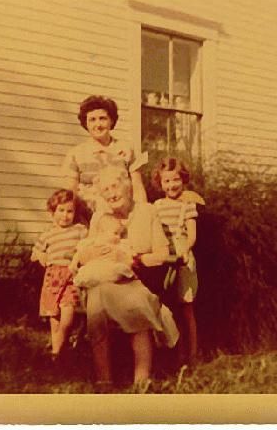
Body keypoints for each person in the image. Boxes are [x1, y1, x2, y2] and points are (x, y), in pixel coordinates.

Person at [83, 166, 179, 391]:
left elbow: (163, 254)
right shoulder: (99, 218)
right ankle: (104, 380)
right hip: (105, 280)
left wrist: (137, 259)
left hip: (138, 280)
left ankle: (141, 379)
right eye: (105, 190)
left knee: (135, 302)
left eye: (115, 186)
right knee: (96, 302)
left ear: (126, 185)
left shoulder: (147, 212)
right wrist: (102, 255)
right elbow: (86, 253)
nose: (111, 193)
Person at [151, 157, 204, 366]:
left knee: (186, 307)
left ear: (183, 180)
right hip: (163, 254)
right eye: (167, 181)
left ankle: (191, 355)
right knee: (165, 305)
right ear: (160, 183)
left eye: (175, 180)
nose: (172, 185)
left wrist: (185, 250)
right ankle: (171, 352)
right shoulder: (157, 206)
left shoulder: (187, 205)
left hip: (182, 255)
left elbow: (191, 236)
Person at [61, 95, 147, 212]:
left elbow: (137, 188)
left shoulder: (126, 149)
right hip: (89, 219)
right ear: (86, 124)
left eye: (103, 118)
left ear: (111, 121)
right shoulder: (76, 154)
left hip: (124, 218)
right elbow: (70, 193)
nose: (98, 125)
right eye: (92, 120)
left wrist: (142, 214)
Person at [31, 189, 88, 362]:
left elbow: (87, 247)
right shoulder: (48, 234)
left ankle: (60, 348)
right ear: (52, 213)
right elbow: (35, 252)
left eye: (69, 211)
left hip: (71, 276)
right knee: (54, 318)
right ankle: (57, 355)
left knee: (68, 317)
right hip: (52, 277)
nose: (65, 215)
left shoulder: (79, 230)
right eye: (61, 211)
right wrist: (42, 257)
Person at [70, 214, 135, 289]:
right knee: (86, 270)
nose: (118, 237)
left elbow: (127, 254)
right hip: (94, 266)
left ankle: (121, 271)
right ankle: (81, 280)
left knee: (116, 268)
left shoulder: (119, 245)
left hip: (110, 266)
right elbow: (80, 252)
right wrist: (74, 263)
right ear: (102, 232)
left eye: (120, 234)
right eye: (116, 233)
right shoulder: (92, 242)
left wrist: (129, 258)